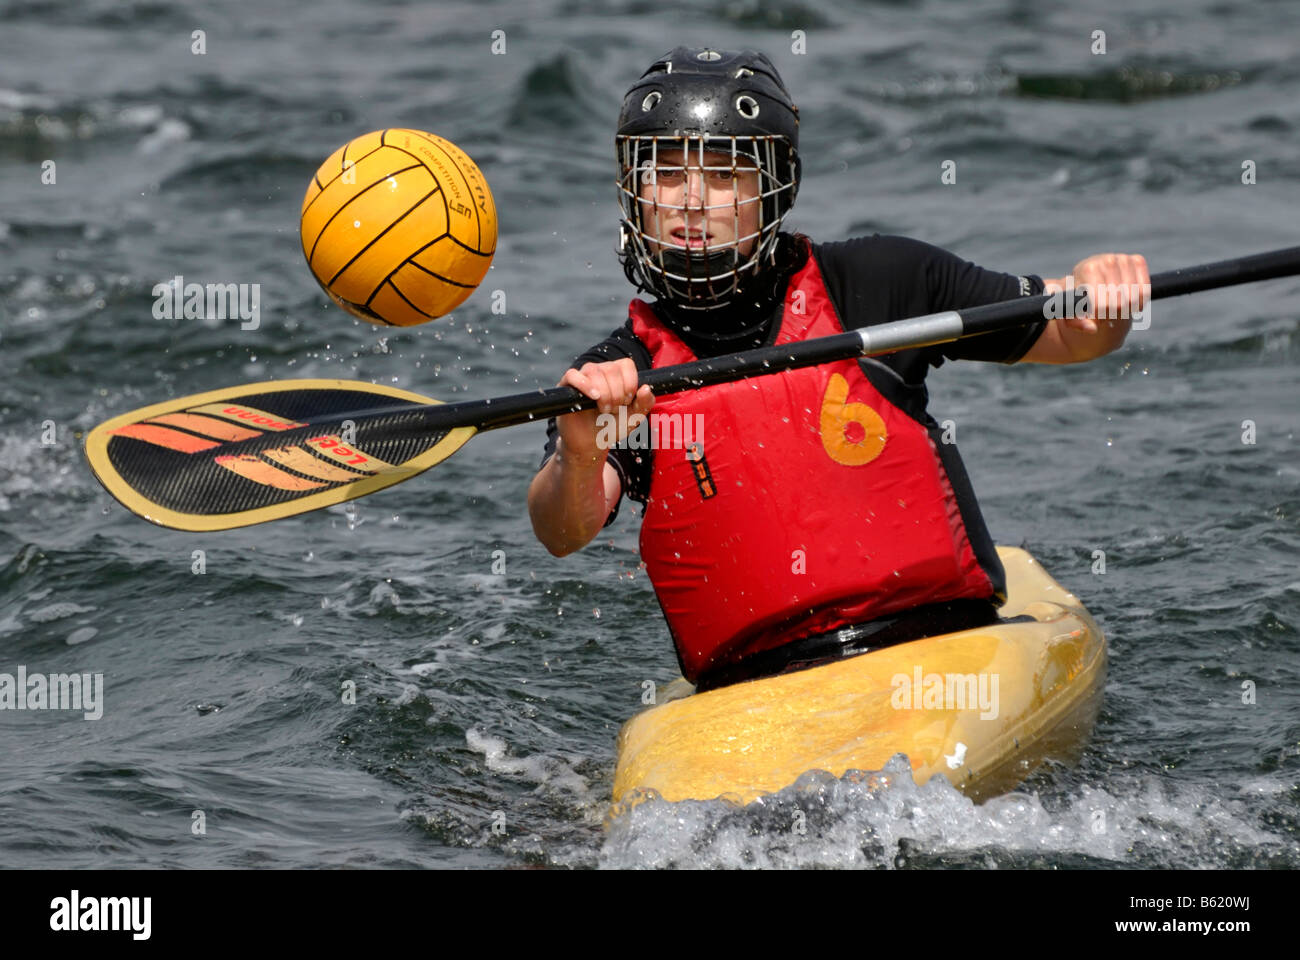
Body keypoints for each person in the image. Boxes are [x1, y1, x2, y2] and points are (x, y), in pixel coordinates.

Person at [527, 47, 1148, 691]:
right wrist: (578, 449)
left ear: (774, 188)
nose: (690, 201)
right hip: (754, 693)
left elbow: (1074, 334)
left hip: (944, 650)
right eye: (665, 173)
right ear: (634, 190)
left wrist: (1097, 290)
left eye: (722, 174)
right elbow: (561, 532)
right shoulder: (615, 374)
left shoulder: (878, 284)